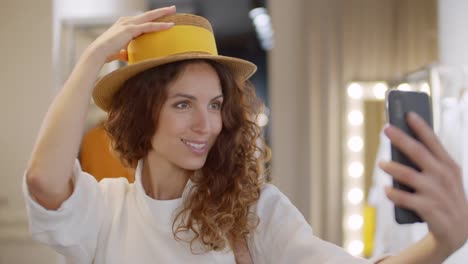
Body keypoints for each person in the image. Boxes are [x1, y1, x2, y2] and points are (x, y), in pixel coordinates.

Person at [23, 6, 468, 264]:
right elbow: (43, 180)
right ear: (142, 115)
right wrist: (93, 57)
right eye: (183, 104)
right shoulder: (105, 211)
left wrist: (442, 243)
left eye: (215, 104)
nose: (207, 125)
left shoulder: (251, 211)